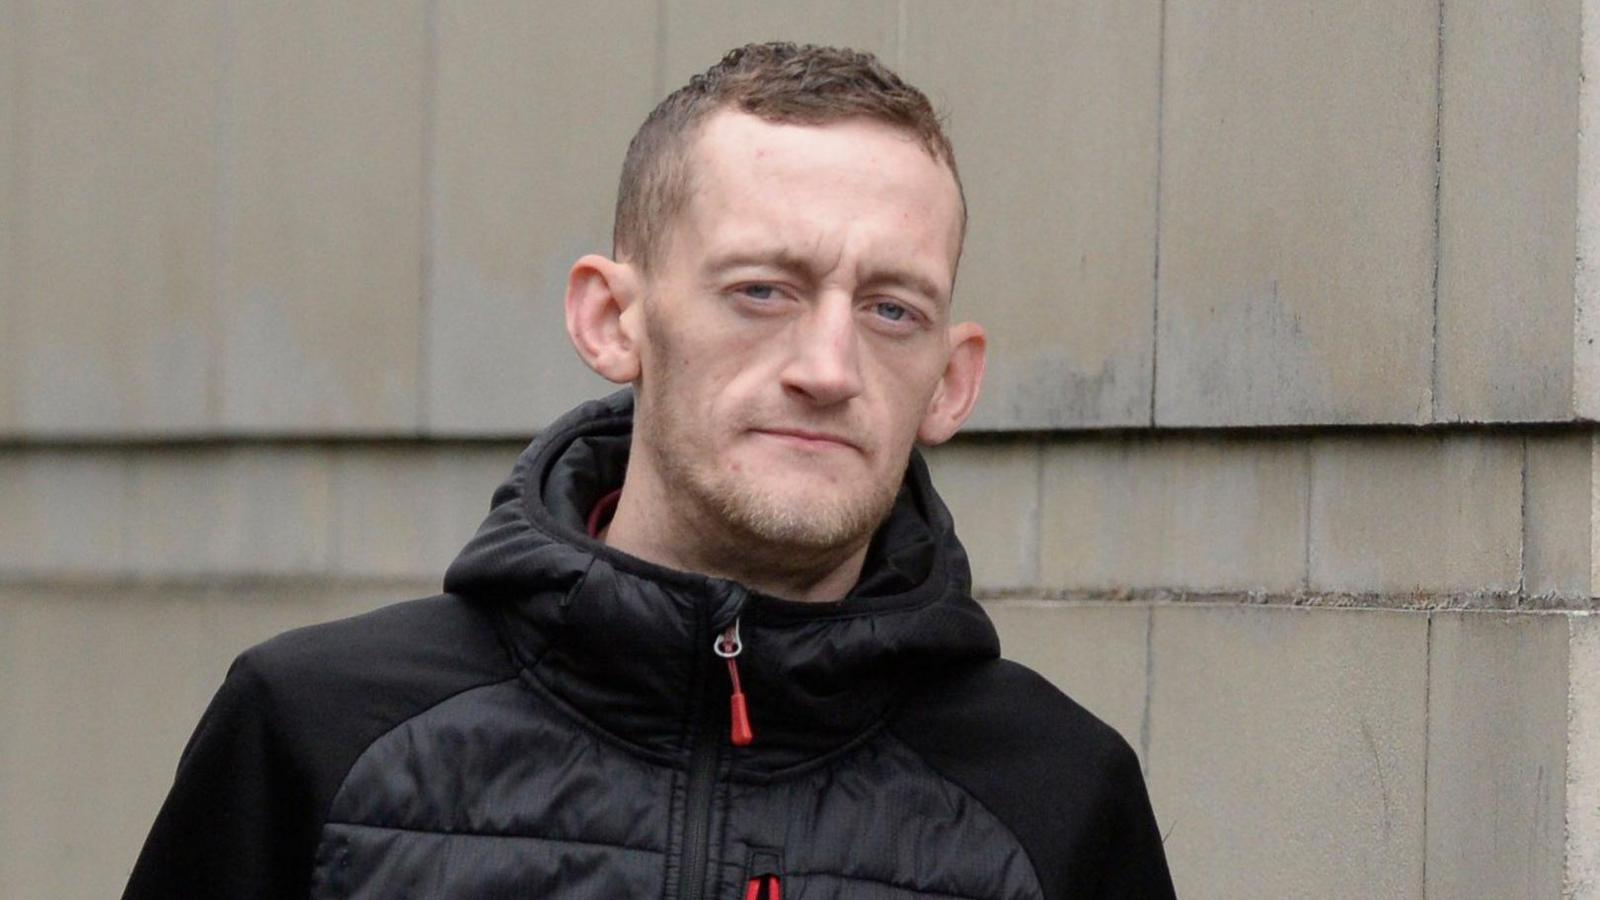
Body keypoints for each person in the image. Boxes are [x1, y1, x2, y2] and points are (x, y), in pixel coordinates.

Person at [124, 42, 1175, 899]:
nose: (827, 368)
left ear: (952, 382)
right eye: (763, 290)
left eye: (891, 308)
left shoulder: (1057, 799)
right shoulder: (316, 733)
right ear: (611, 319)